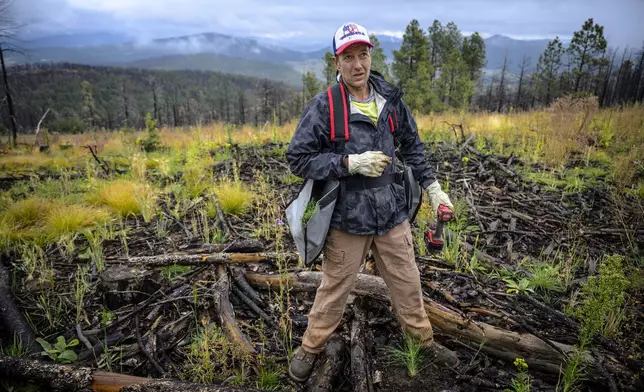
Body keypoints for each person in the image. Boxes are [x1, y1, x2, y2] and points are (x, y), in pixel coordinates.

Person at [285, 21, 460, 382]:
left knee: (407, 280)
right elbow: (298, 159)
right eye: (348, 57)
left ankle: (422, 342)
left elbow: (412, 146)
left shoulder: (390, 100)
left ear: (371, 55)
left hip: (392, 210)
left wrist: (434, 188)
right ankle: (310, 347)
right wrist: (348, 163)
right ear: (337, 62)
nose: (357, 64)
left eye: (362, 55)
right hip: (347, 216)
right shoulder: (325, 106)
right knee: (335, 287)